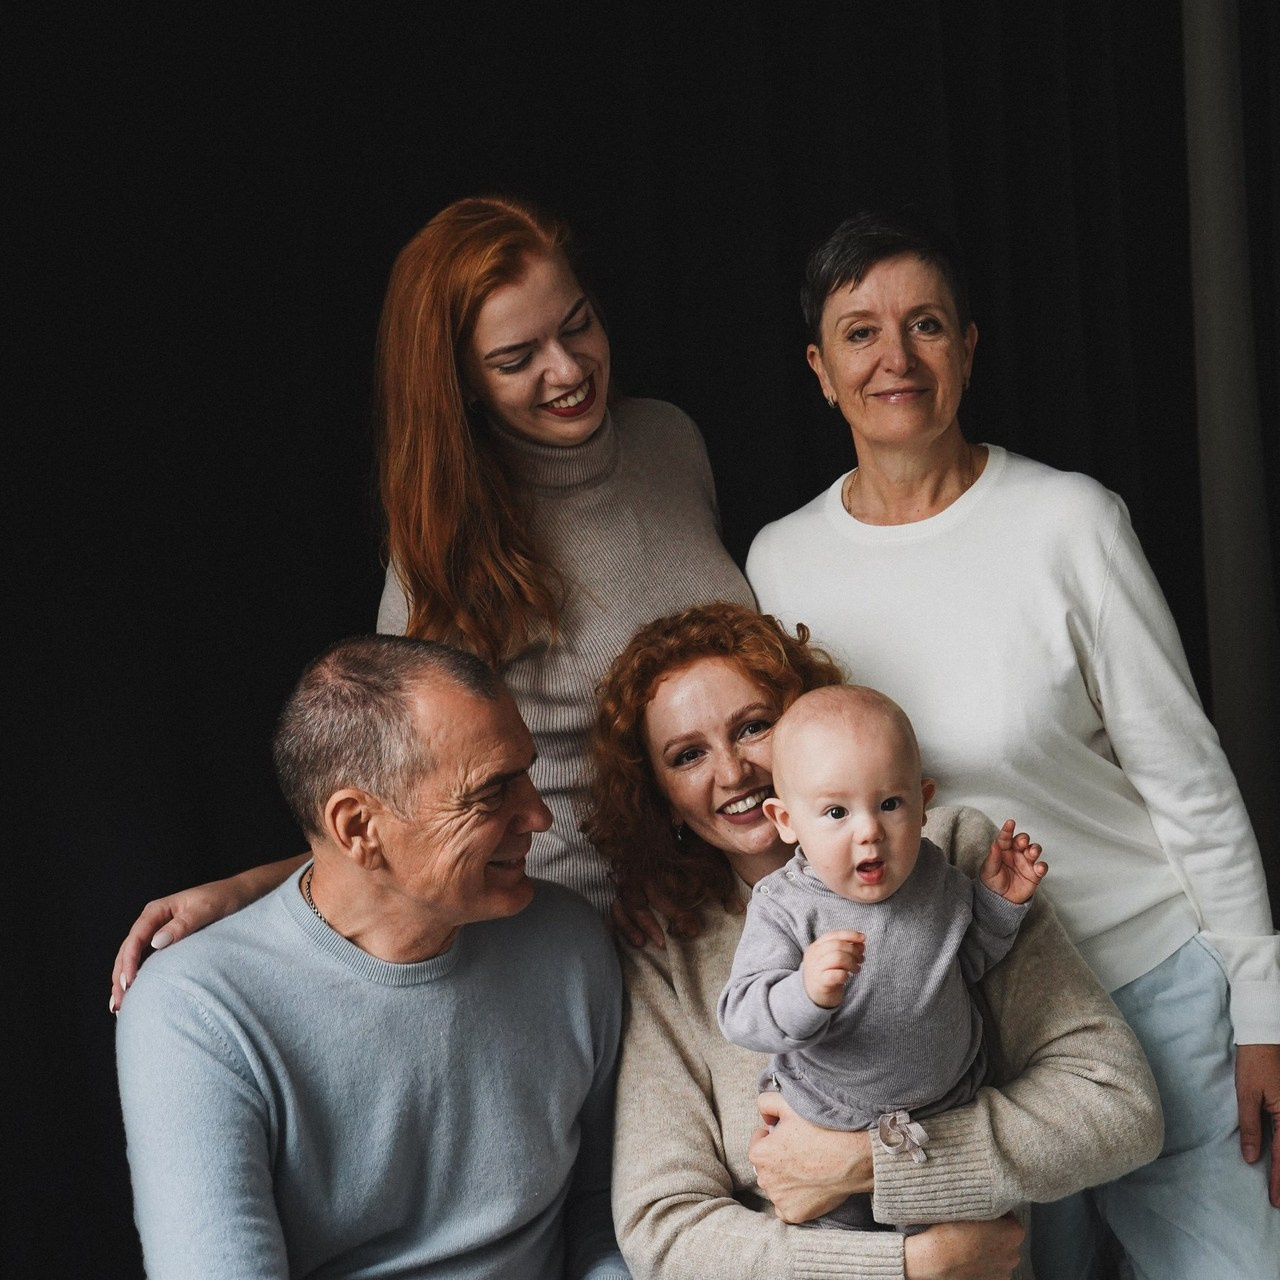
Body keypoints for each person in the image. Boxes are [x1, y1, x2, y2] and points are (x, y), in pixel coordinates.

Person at [746, 206, 1280, 1277]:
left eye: (926, 325)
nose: (894, 357)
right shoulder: (779, 563)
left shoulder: (1070, 522)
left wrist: (1262, 1005)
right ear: (818, 367)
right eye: (859, 331)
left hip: (1140, 978)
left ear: (968, 347)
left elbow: (1186, 777)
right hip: (952, 1024)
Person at [109, 194, 751, 1009]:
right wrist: (247, 892)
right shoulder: (449, 551)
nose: (569, 369)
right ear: (464, 384)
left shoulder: (670, 441)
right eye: (518, 359)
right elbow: (404, 809)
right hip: (592, 941)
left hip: (738, 890)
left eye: (578, 325)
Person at [582, 601, 1162, 1280]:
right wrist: (907, 1265)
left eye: (754, 727)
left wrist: (871, 1164)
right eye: (687, 756)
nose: (734, 771)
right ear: (660, 795)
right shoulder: (663, 943)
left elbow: (1119, 1107)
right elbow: (666, 1231)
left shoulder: (952, 856)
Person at [115, 634, 629, 1280]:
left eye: (525, 772)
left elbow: (603, 1210)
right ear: (358, 828)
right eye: (492, 793)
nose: (540, 815)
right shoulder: (196, 1013)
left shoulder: (568, 942)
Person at [718, 685, 1046, 1232]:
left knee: (978, 1256)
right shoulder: (785, 906)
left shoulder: (935, 876)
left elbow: (960, 965)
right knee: (854, 1255)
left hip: (945, 1119)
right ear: (785, 819)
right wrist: (804, 992)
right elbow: (741, 1013)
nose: (869, 830)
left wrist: (996, 905)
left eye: (889, 804)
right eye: (836, 812)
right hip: (827, 1128)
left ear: (923, 804)